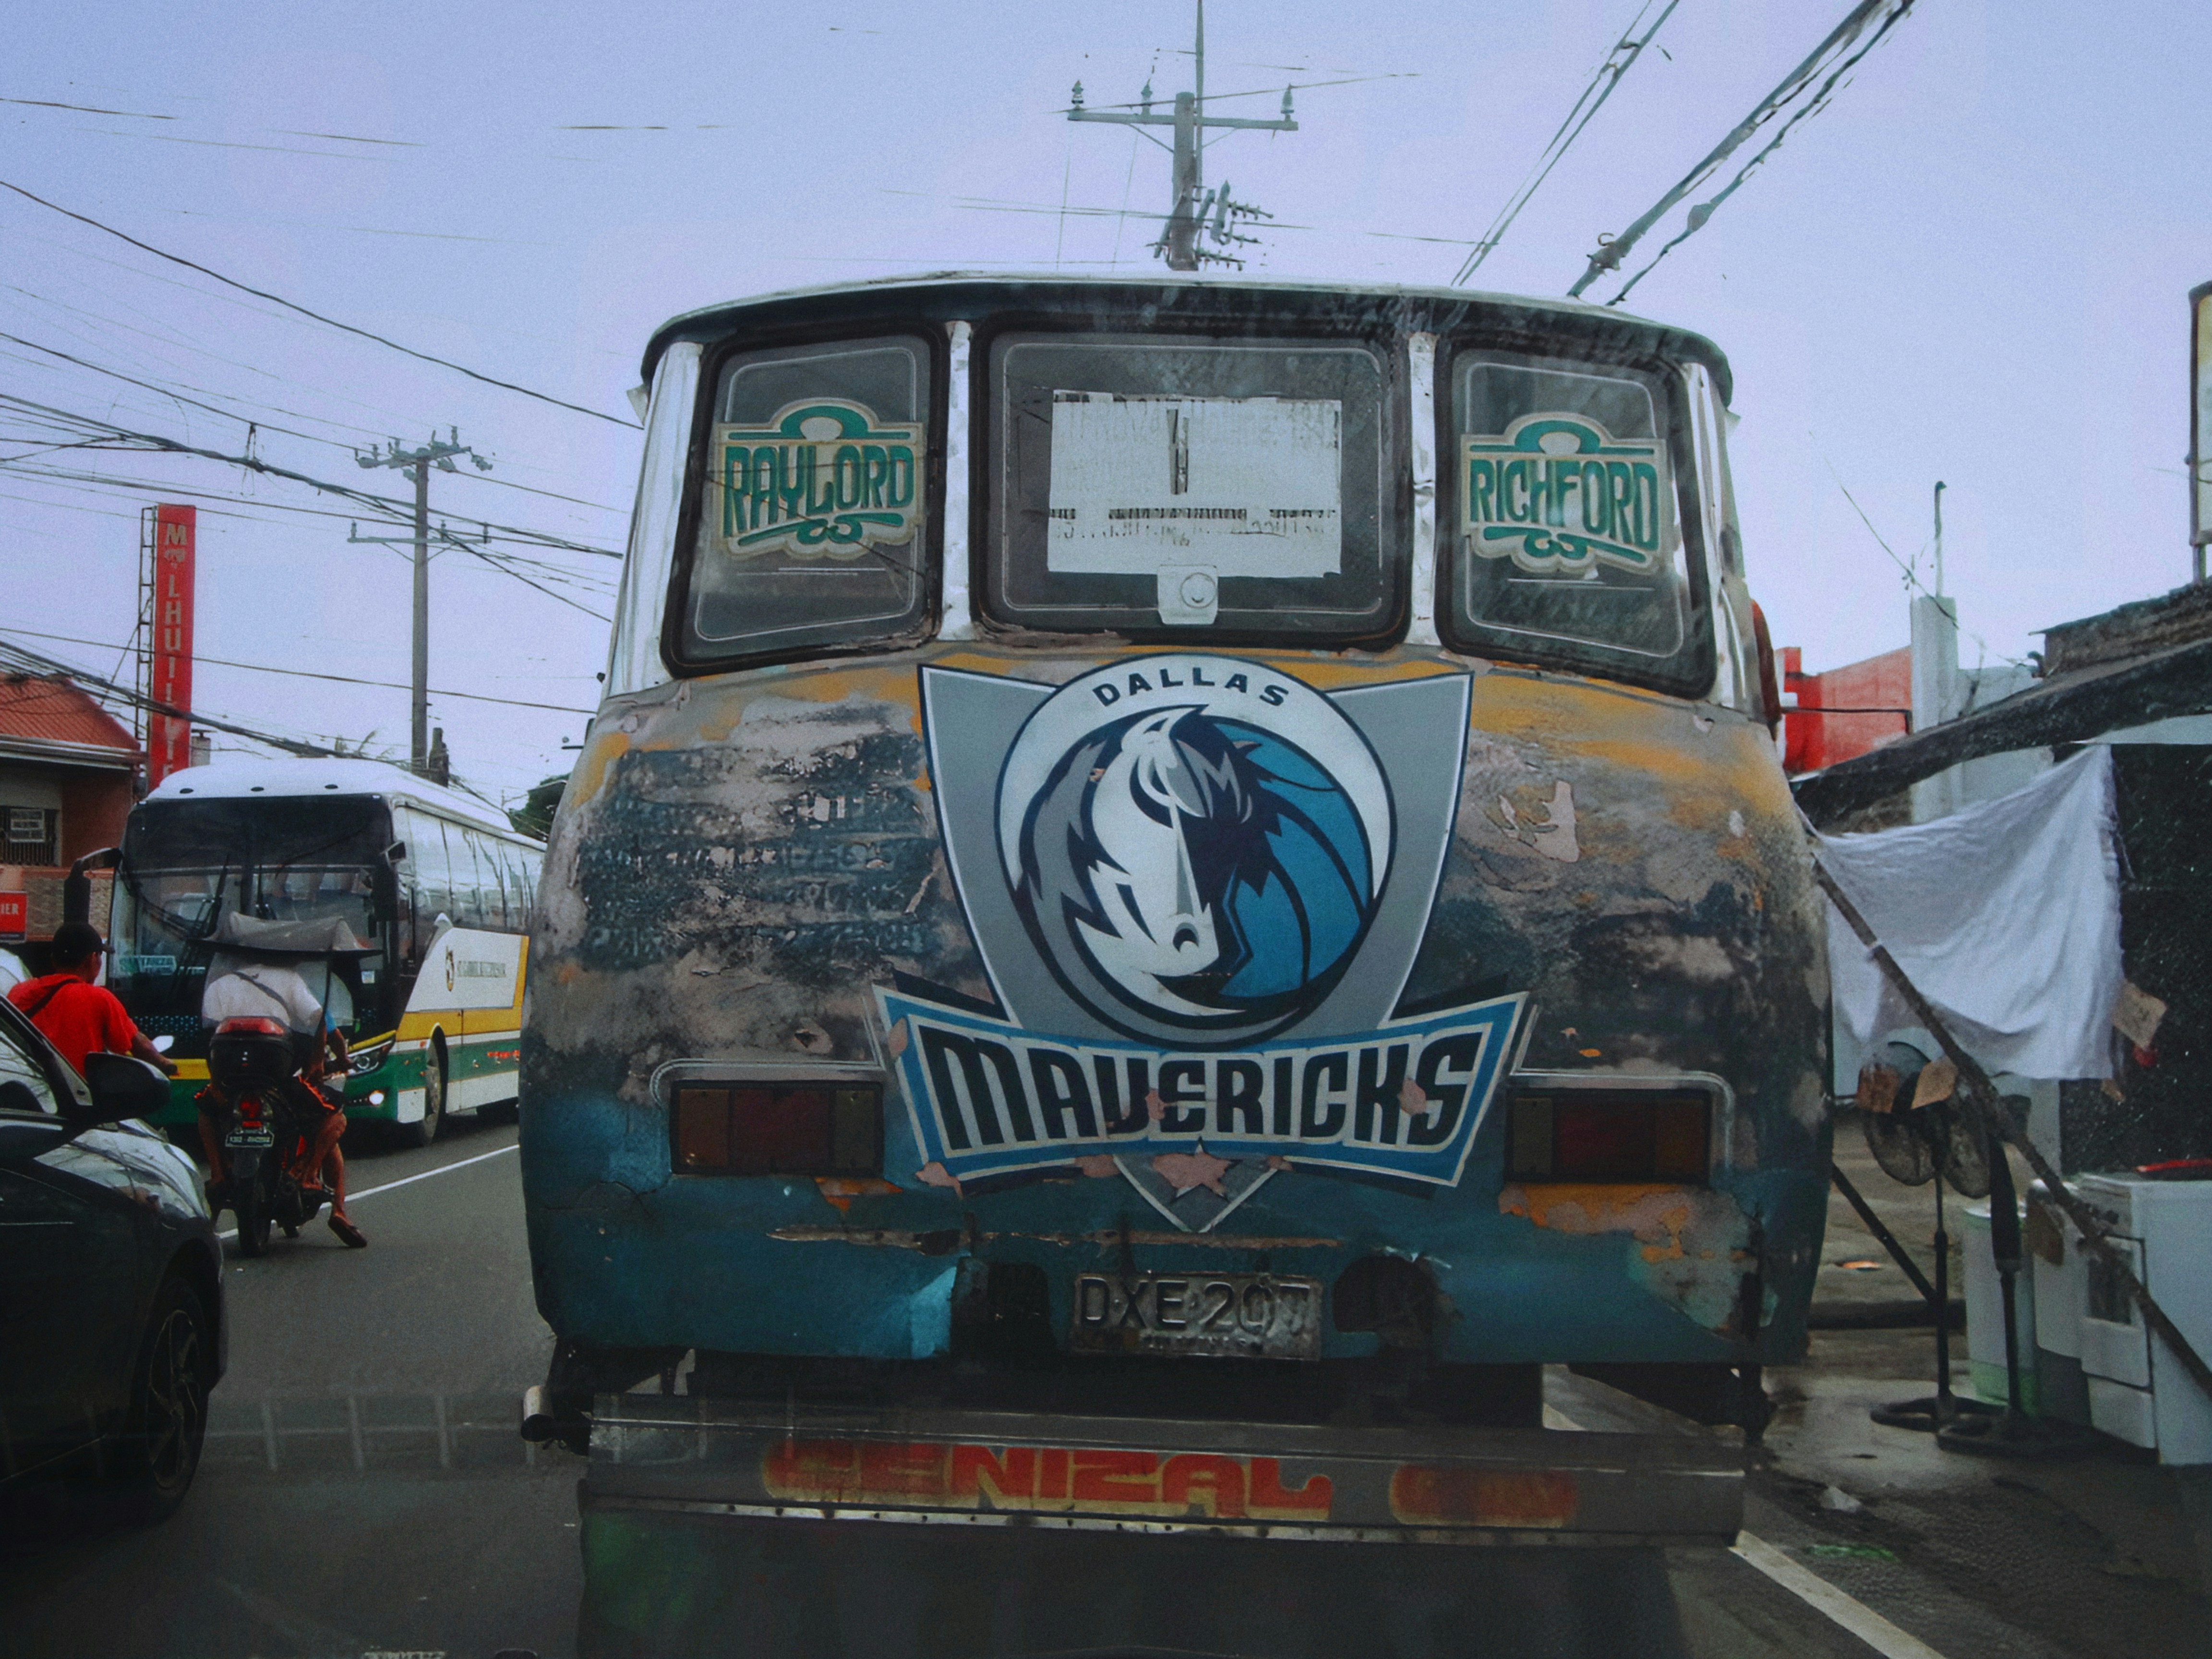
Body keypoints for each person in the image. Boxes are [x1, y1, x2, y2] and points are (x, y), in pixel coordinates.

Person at [197, 955, 367, 1249]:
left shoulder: (220, 985)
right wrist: (327, 1061)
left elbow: (208, 1035)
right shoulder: (291, 982)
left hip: (229, 1080)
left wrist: (216, 1083)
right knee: (335, 1118)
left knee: (206, 1109)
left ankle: (217, 1174)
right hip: (279, 1081)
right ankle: (317, 1184)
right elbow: (321, 1025)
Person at [7, 921, 178, 1081]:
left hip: (22, 1096)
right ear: (93, 958)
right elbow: (138, 1045)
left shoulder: (20, 992)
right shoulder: (99, 998)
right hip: (71, 1101)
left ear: (54, 960)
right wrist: (166, 1064)